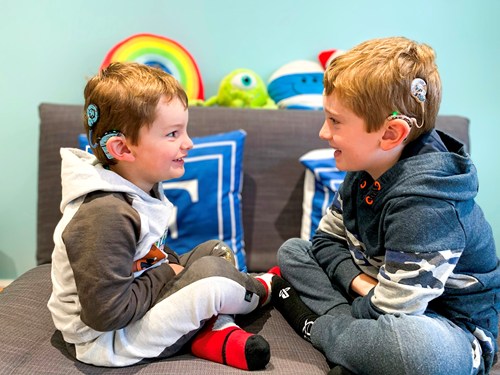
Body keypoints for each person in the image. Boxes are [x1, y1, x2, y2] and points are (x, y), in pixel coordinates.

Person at [270, 36, 500, 375]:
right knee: (292, 252)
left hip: (447, 329)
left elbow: (398, 311)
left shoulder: (428, 203)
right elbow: (324, 243)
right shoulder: (364, 166)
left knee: (411, 350)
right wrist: (361, 285)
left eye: (335, 121)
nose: (323, 132)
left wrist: (357, 304)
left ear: (390, 134)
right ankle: (353, 344)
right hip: (377, 297)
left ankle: (319, 328)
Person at [47, 62, 278, 371]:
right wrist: (167, 273)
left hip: (135, 301)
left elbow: (149, 252)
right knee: (211, 274)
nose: (188, 143)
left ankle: (213, 329)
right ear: (123, 148)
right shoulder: (104, 215)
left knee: (213, 251)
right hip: (107, 340)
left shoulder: (138, 187)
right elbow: (106, 314)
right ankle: (262, 290)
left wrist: (168, 267)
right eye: (172, 134)